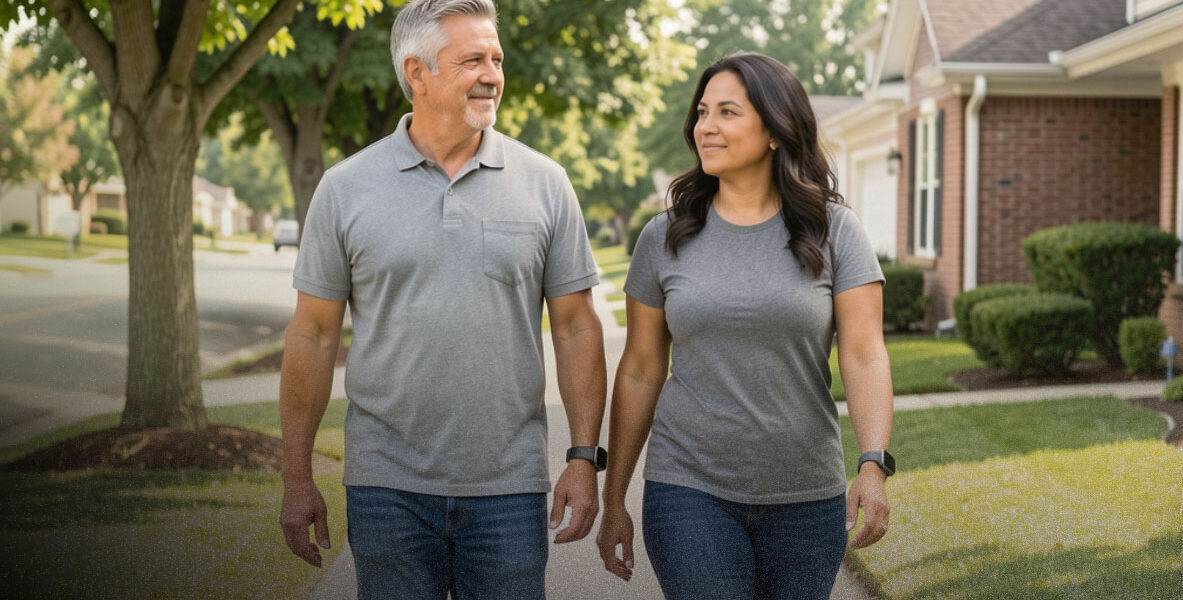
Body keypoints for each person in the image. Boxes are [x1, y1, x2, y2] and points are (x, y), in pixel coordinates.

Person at [278, 1, 608, 598]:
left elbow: (577, 327)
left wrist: (584, 458)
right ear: (417, 72)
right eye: (472, 60)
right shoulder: (344, 188)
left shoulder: (545, 183)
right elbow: (313, 335)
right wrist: (296, 476)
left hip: (509, 486)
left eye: (497, 59)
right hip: (387, 486)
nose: (492, 74)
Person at [595, 52, 895, 600]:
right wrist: (614, 497)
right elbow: (639, 369)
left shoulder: (836, 232)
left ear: (776, 130)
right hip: (688, 488)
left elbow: (865, 354)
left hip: (806, 496)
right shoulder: (663, 238)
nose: (705, 126)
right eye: (702, 112)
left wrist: (873, 465)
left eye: (727, 112)